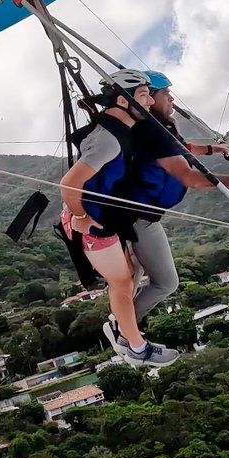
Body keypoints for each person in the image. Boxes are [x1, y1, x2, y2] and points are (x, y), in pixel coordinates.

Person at [100, 69, 229, 350]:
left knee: (134, 278)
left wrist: (212, 149)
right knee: (165, 282)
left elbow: (178, 148)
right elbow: (190, 177)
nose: (172, 99)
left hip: (140, 215)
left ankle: (122, 326)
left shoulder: (157, 127)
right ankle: (123, 330)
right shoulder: (149, 131)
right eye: (165, 93)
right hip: (139, 218)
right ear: (148, 98)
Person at [58, 69, 179, 367]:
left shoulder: (122, 128)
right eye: (143, 96)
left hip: (106, 217)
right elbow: (69, 184)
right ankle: (136, 347)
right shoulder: (108, 140)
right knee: (122, 284)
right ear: (124, 101)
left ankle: (129, 336)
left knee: (129, 276)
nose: (149, 102)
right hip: (92, 222)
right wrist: (80, 216)